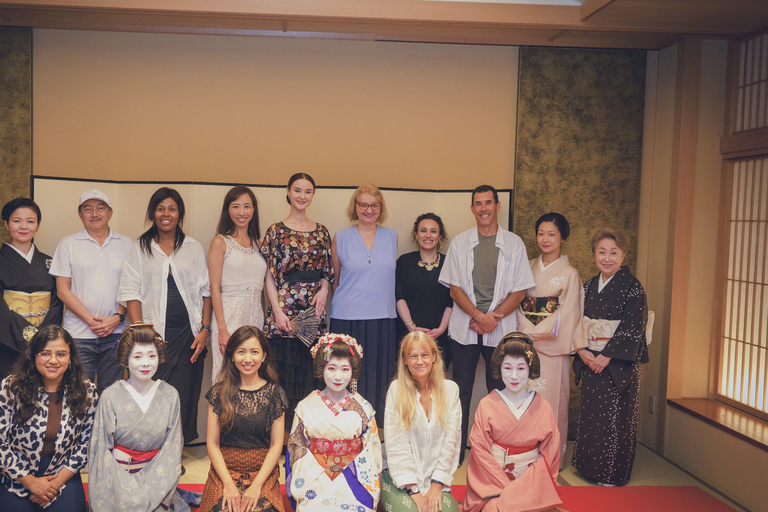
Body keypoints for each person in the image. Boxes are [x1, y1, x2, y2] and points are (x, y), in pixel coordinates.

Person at [438, 185, 534, 459]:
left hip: (500, 330)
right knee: (460, 391)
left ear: (497, 206)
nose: (483, 209)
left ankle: (498, 451)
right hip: (464, 329)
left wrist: (493, 318)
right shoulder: (459, 242)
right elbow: (454, 288)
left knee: (500, 391)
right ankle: (454, 453)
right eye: (478, 204)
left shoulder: (514, 243)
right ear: (472, 208)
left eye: (488, 203)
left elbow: (520, 290)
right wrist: (479, 316)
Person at [118, 187, 211, 443]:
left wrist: (205, 329)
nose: (166, 214)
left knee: (181, 394)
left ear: (179, 213)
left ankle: (174, 450)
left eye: (172, 208)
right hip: (153, 338)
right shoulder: (140, 247)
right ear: (153, 213)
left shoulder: (193, 247)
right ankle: (150, 449)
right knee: (150, 395)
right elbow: (130, 291)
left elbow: (206, 291)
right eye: (160, 208)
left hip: (188, 336)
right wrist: (140, 335)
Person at [572, 227, 648, 486]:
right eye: (602, 252)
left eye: (613, 253)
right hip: (590, 359)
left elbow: (633, 327)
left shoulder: (633, 288)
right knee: (592, 415)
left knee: (616, 419)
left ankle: (612, 474)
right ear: (594, 254)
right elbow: (575, 320)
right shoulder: (589, 285)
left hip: (616, 365)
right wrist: (581, 349)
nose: (607, 258)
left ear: (623, 254)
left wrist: (607, 357)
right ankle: (587, 468)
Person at [88, 323, 189, 511]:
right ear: (125, 360)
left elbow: (172, 449)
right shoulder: (110, 396)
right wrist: (127, 493)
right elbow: (100, 450)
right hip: (116, 483)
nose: (146, 363)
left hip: (157, 482)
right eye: (137, 356)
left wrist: (147, 494)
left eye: (152, 356)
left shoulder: (170, 394)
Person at [260, 173, 333, 426]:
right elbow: (267, 275)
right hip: (285, 305)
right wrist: (277, 311)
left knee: (310, 370)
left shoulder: (322, 231)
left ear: (313, 195)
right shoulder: (275, 230)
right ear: (288, 192)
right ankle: (281, 437)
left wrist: (324, 290)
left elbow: (327, 271)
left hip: (314, 309)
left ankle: (307, 432)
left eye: (308, 191)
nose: (302, 196)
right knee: (283, 373)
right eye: (298, 190)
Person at [515, 212, 587, 468]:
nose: (545, 239)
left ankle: (549, 461)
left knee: (552, 402)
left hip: (552, 351)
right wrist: (524, 335)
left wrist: (534, 334)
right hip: (525, 349)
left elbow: (569, 315)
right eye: (541, 233)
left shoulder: (570, 274)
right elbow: (517, 304)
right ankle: (523, 460)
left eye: (552, 234)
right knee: (523, 401)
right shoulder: (527, 266)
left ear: (563, 238)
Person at [0, 325, 97, 512]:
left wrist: (55, 484)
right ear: (34, 355)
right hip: (16, 474)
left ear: (70, 358)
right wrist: (30, 481)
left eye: (61, 354)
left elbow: (87, 444)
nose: (53, 360)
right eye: (45, 353)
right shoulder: (11, 387)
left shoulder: (87, 391)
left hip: (63, 475)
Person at [463, 332, 563, 512]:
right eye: (508, 368)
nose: (514, 376)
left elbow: (550, 453)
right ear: (499, 369)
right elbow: (479, 451)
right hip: (492, 483)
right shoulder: (487, 404)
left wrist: (524, 488)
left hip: (531, 483)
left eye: (521, 369)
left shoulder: (543, 406)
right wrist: (507, 489)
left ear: (530, 370)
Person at [49, 189, 133, 393]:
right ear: (80, 215)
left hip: (117, 334)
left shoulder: (128, 244)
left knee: (111, 394)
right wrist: (91, 321)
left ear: (110, 212)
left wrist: (117, 318)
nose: (94, 213)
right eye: (88, 209)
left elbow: (133, 287)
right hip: (78, 334)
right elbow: (62, 291)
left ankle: (106, 428)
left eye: (100, 208)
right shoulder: (68, 244)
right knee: (78, 393)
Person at [286, 333, 382, 512]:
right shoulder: (305, 406)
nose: (338, 376)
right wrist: (320, 473)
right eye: (332, 368)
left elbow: (372, 450)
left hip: (356, 477)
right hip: (313, 477)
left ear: (353, 371)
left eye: (345, 369)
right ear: (321, 370)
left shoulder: (364, 408)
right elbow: (296, 448)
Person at [200, 326, 287, 512]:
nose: (248, 359)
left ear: (264, 356)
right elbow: (213, 444)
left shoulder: (275, 393)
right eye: (241, 352)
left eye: (254, 352)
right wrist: (228, 485)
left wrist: (256, 486)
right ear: (232, 355)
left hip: (262, 473)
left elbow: (276, 445)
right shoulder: (218, 392)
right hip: (224, 471)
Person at [330, 183, 397, 425]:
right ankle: (344, 431)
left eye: (374, 205)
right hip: (348, 318)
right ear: (355, 207)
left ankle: (374, 435)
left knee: (379, 379)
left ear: (380, 208)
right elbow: (335, 281)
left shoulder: (392, 236)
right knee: (345, 377)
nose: (369, 210)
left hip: (383, 318)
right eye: (363, 205)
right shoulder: (341, 237)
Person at [382, 331, 461, 512]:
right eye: (413, 356)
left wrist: (437, 485)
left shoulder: (450, 390)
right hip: (399, 474)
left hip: (435, 476)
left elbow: (452, 442)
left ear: (434, 356)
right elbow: (396, 443)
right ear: (405, 360)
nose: (419, 361)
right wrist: (413, 489)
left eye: (424, 355)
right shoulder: (396, 389)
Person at [0, 198, 63, 379]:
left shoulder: (49, 262)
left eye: (30, 221)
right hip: (7, 342)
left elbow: (57, 302)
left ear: (37, 225)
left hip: (43, 344)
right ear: (6, 224)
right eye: (16, 221)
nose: (24, 226)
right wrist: (30, 335)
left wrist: (44, 335)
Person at [209, 185, 267, 382]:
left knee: (251, 373)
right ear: (228, 210)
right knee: (226, 374)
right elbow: (214, 288)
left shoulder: (258, 244)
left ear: (254, 210)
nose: (241, 213)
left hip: (254, 315)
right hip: (229, 313)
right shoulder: (220, 241)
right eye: (236, 207)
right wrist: (222, 329)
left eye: (247, 207)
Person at [395, 213, 453, 369]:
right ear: (416, 234)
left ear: (440, 236)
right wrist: (412, 328)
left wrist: (441, 329)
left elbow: (453, 300)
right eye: (423, 231)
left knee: (438, 382)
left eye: (433, 231)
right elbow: (399, 297)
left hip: (441, 337)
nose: (428, 235)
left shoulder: (450, 263)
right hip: (409, 335)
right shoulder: (404, 262)